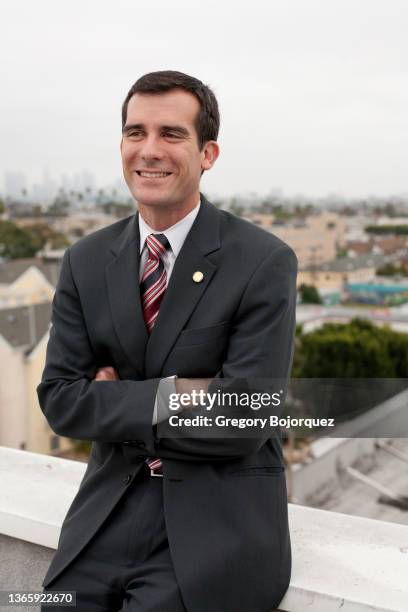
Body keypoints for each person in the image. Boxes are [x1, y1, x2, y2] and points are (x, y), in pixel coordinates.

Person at [38, 70, 298, 612]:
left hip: (214, 526)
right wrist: (177, 393)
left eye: (171, 134)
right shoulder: (85, 261)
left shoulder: (263, 261)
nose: (149, 150)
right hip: (106, 512)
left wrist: (115, 401)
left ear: (208, 153)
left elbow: (244, 418)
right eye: (136, 132)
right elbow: (61, 400)